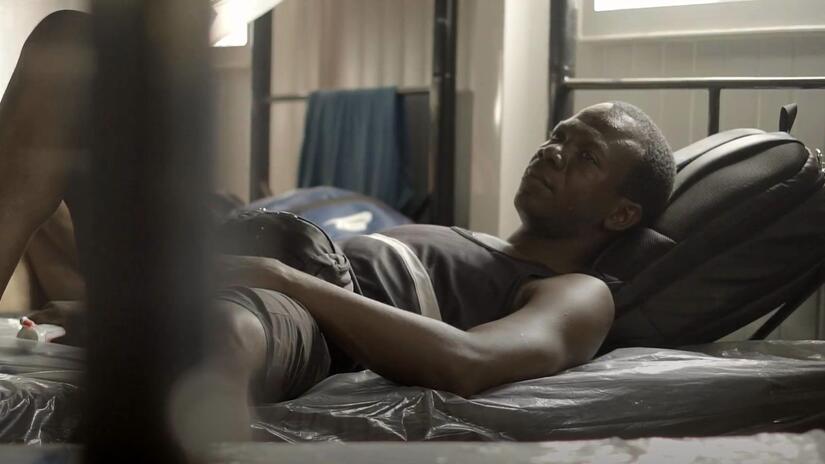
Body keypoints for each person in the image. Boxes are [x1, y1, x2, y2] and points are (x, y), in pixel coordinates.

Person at [3, 11, 675, 415]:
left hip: (297, 302)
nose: (553, 151)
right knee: (69, 45)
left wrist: (283, 279)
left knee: (220, 334)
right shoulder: (469, 238)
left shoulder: (578, 292)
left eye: (583, 154)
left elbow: (468, 362)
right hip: (236, 246)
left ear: (619, 215)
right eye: (558, 134)